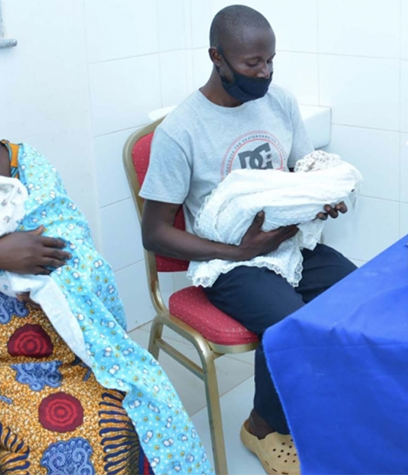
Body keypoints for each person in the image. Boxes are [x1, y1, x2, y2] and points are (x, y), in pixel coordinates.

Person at [0, 48, 213, 475]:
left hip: (57, 330)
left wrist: (13, 257)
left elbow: (71, 252)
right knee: (61, 436)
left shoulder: (24, 162)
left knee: (133, 407)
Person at [139, 5, 357, 475]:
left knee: (359, 297)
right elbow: (154, 233)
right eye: (251, 64)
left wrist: (323, 195)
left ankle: (320, 404)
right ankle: (262, 425)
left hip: (288, 244)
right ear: (216, 57)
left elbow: (304, 170)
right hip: (229, 261)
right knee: (289, 323)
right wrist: (239, 252)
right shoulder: (180, 131)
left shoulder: (279, 102)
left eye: (270, 61)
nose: (264, 73)